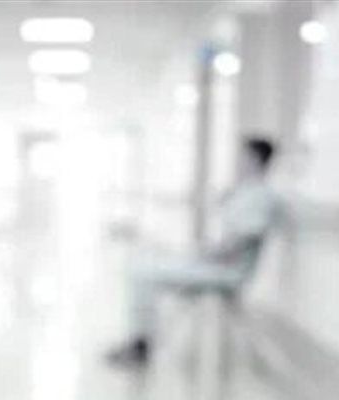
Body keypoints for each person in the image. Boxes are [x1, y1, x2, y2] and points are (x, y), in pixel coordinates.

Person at [107, 136, 284, 368]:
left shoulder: (262, 196)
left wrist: (207, 254)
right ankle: (140, 341)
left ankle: (140, 346)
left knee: (142, 272)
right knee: (144, 262)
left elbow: (241, 241)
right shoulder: (245, 191)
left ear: (255, 159)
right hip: (215, 264)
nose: (238, 161)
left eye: (243, 156)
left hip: (227, 271)